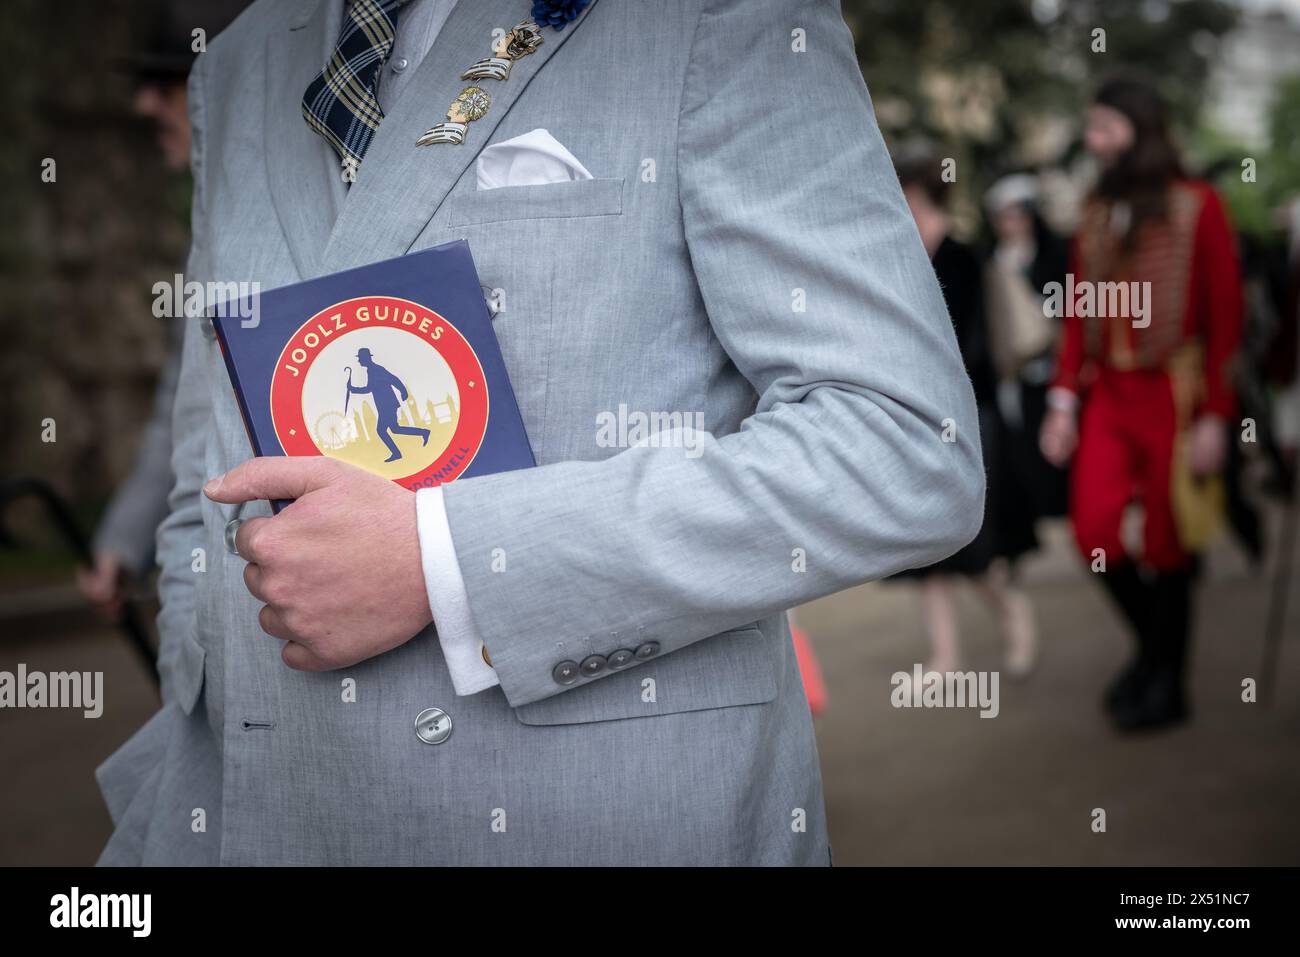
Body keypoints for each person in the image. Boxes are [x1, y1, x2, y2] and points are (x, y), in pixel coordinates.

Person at [95, 0, 984, 866]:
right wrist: (194, 661)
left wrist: (448, 560)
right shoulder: (246, 51)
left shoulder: (716, 15)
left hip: (585, 814)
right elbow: (207, 430)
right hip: (250, 807)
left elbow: (902, 441)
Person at [1039, 74, 1244, 733]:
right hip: (1109, 394)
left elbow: (1227, 319)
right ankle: (1154, 655)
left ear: (1137, 127)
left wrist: (1217, 412)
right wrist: (1063, 401)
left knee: (1167, 539)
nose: (1093, 140)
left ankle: (1166, 681)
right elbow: (1078, 316)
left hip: (1173, 391)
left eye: (1104, 127)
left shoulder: (1198, 204)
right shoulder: (1095, 212)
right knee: (1092, 527)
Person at [76, 0, 251, 621]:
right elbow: (186, 404)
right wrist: (126, 540)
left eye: (168, 84)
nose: (144, 105)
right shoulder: (213, 222)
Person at [890, 154, 1039, 680]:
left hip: (970, 415)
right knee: (924, 546)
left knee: (974, 541)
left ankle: (1014, 617)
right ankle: (946, 658)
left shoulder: (963, 256)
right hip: (913, 416)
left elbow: (971, 348)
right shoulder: (900, 254)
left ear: (916, 194)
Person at [347, 348, 430, 462]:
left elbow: (381, 384)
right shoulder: (372, 370)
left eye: (360, 358)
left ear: (366, 358)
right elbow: (389, 381)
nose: (359, 361)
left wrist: (353, 389)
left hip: (387, 405)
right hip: (386, 405)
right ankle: (423, 433)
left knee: (381, 430)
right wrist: (403, 391)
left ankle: (397, 453)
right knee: (395, 429)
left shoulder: (375, 370)